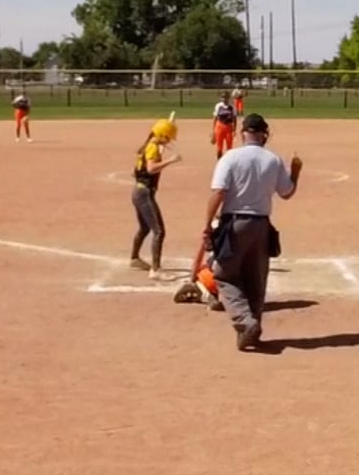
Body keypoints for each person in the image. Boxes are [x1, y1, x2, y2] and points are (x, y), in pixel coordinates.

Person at [199, 113, 302, 351]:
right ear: (264, 134)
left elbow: (219, 192)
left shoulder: (230, 157)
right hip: (261, 226)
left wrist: (207, 225)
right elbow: (286, 193)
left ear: (242, 133)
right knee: (256, 280)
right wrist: (295, 172)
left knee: (224, 275)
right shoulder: (273, 160)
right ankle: (251, 331)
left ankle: (245, 322)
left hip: (235, 224)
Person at [128, 117, 181, 279]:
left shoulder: (147, 146)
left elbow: (138, 171)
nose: (169, 141)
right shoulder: (152, 148)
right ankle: (156, 270)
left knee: (145, 228)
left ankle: (134, 259)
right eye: (168, 138)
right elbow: (151, 169)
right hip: (144, 193)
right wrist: (170, 161)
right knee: (159, 231)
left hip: (139, 191)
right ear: (162, 135)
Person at [211, 92, 237, 158]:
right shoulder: (218, 106)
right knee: (219, 148)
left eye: (226, 97)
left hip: (229, 127)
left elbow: (234, 118)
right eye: (223, 97)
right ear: (221, 98)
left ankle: (229, 161)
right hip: (219, 126)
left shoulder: (232, 106)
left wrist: (234, 129)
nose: (224, 99)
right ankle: (219, 161)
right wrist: (213, 132)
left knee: (229, 147)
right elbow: (215, 118)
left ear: (228, 98)